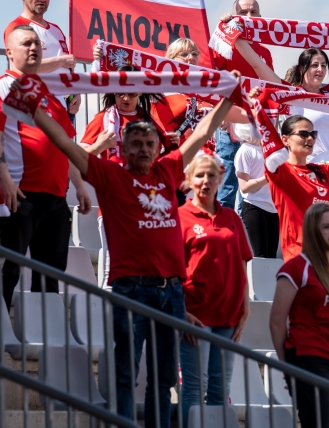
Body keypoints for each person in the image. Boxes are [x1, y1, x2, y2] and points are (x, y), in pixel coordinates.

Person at [28, 83, 236, 428]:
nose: (143, 150)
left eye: (149, 144)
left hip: (171, 293)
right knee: (125, 374)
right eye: (136, 144)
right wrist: (35, 107)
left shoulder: (168, 170)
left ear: (158, 149)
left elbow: (202, 131)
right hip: (131, 290)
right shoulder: (110, 174)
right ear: (122, 149)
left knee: (164, 377)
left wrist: (231, 93)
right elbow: (66, 145)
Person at [0, 26, 92, 310]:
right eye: (26, 43)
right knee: (7, 271)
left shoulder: (48, 94)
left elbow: (66, 145)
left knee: (50, 278)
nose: (33, 48)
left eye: (37, 45)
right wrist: (4, 179)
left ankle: (45, 338)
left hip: (56, 199)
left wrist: (79, 186)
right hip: (21, 194)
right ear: (9, 52)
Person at [235, 41, 329, 210]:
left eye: (323, 65)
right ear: (301, 69)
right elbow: (257, 65)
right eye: (314, 65)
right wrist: (236, 36)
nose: (320, 70)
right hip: (306, 177)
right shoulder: (291, 94)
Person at [79, 70, 173, 288]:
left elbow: (166, 158)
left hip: (146, 204)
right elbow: (79, 158)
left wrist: (169, 143)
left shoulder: (149, 121)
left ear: (140, 91)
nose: (125, 98)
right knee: (113, 271)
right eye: (120, 93)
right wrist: (100, 146)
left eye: (130, 93)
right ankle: (108, 319)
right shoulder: (103, 119)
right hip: (114, 204)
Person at [178, 154, 252, 428]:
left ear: (221, 180)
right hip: (194, 316)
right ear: (188, 181)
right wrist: (180, 311)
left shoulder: (232, 216)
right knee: (195, 388)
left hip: (229, 315)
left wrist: (246, 306)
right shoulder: (180, 217)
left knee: (221, 390)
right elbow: (170, 269)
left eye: (211, 175)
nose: (206, 181)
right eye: (199, 175)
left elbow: (242, 261)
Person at [269, 203, 329, 428]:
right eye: (326, 227)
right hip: (309, 356)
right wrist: (286, 366)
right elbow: (277, 322)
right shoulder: (296, 268)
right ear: (312, 231)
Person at [265, 115, 329, 260]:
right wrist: (259, 108)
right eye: (303, 134)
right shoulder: (282, 172)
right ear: (285, 140)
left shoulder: (321, 170)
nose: (309, 139)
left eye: (312, 134)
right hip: (300, 257)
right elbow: (266, 138)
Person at [215, 0, 276, 210]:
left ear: (260, 17)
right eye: (243, 12)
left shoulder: (265, 52)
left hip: (255, 127)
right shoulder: (223, 45)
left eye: (254, 12)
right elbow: (211, 79)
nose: (249, 17)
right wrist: (222, 113)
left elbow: (270, 89)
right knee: (227, 187)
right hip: (229, 123)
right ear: (234, 16)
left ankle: (245, 241)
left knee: (249, 193)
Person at [234, 122, 279, 258]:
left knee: (272, 258)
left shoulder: (268, 150)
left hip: (273, 209)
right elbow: (244, 186)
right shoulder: (245, 150)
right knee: (260, 257)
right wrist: (268, 177)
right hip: (254, 207)